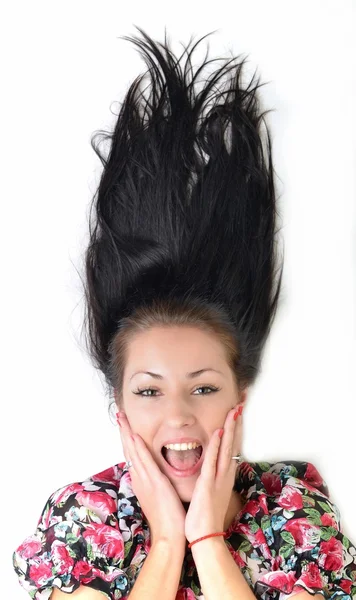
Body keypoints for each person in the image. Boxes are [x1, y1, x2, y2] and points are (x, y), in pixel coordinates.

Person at [12, 26, 356, 600]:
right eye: (148, 391)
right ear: (117, 403)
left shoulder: (290, 507)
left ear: (238, 396)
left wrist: (208, 541)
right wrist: (168, 542)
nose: (177, 417)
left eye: (202, 388)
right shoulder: (86, 516)